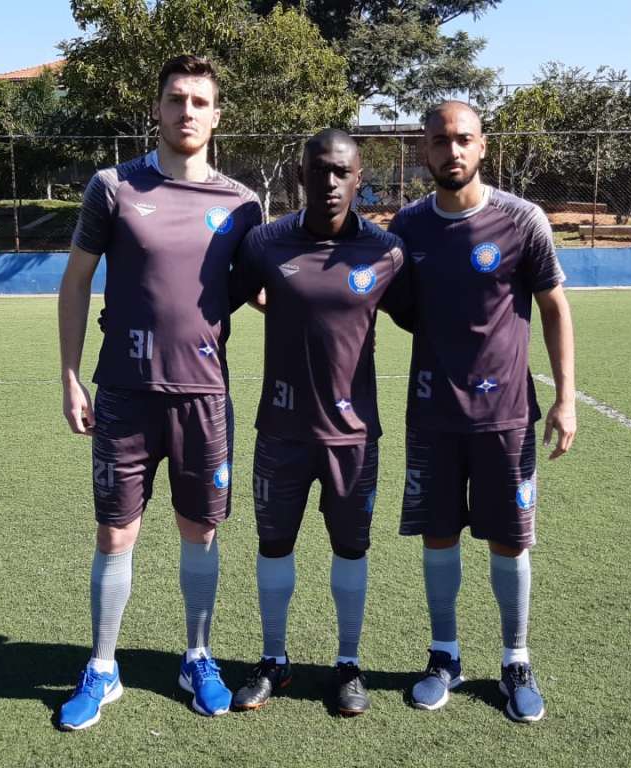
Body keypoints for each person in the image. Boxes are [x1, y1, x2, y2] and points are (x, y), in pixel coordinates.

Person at [56, 55, 261, 729]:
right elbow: (78, 280)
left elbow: (264, 291)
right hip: (124, 392)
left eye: (201, 101)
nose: (188, 111)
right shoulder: (113, 187)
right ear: (157, 108)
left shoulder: (240, 202)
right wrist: (69, 373)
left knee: (200, 532)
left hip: (204, 396)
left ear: (217, 114)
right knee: (115, 533)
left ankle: (197, 656)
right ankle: (103, 667)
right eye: (177, 99)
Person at [389, 101, 576, 722]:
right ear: (425, 151)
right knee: (437, 535)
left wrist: (566, 399)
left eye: (463, 139)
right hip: (432, 413)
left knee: (508, 538)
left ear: (483, 146)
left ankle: (515, 658)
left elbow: (554, 307)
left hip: (508, 417)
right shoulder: (408, 226)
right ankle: (444, 654)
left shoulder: (522, 220)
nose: (452, 151)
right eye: (440, 141)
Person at [227, 129, 409, 716]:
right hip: (280, 432)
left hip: (354, 438)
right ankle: (273, 661)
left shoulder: (386, 251)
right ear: (299, 176)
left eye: (341, 172)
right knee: (274, 545)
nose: (329, 183)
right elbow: (212, 300)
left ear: (359, 178)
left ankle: (348, 665)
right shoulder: (264, 243)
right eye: (318, 171)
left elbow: (434, 318)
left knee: (351, 550)